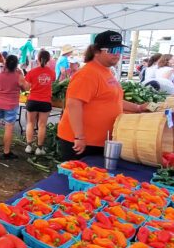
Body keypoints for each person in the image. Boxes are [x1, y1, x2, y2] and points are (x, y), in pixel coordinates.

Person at [57, 30, 147, 160]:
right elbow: (73, 105)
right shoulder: (87, 74)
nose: (117, 54)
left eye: (119, 50)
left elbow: (112, 100)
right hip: (82, 143)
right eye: (112, 50)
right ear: (96, 51)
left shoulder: (106, 71)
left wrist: (138, 108)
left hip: (99, 141)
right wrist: (79, 136)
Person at [0, 55, 29, 159]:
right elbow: (26, 88)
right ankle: (6, 152)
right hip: (11, 105)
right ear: (16, 65)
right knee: (8, 127)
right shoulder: (18, 75)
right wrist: (21, 76)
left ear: (5, 63)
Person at [25, 50, 56, 156]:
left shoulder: (31, 72)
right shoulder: (52, 72)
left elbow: (27, 87)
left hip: (32, 100)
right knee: (42, 125)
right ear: (49, 60)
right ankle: (39, 149)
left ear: (37, 59)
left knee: (30, 123)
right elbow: (52, 82)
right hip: (45, 101)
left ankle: (29, 147)